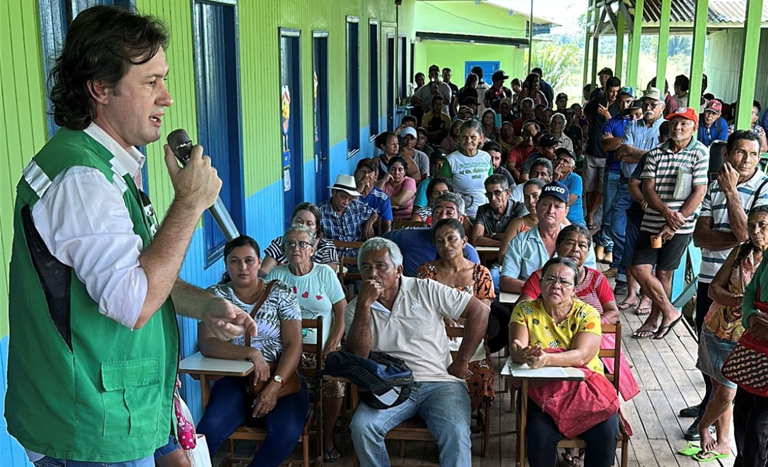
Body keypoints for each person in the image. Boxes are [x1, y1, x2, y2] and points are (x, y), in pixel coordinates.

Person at [5, 7, 257, 466]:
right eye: (151, 82)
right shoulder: (83, 181)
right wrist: (188, 205)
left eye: (164, 80)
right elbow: (135, 301)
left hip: (119, 409)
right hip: (87, 426)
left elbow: (137, 272)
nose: (167, 98)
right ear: (100, 88)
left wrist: (205, 304)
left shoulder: (108, 169)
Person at [345, 238, 490, 467]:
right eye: (365, 267)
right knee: (362, 427)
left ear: (399, 269)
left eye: (381, 266)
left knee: (456, 432)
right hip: (390, 385)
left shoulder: (425, 288)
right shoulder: (356, 307)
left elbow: (480, 311)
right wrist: (364, 306)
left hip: (440, 382)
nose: (372, 273)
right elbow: (358, 355)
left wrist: (462, 361)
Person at [684, 130, 768, 440]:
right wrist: (736, 239)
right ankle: (709, 403)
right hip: (711, 279)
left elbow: (749, 236)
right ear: (727, 155)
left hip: (747, 290)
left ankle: (718, 428)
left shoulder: (764, 187)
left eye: (753, 154)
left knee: (735, 369)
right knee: (710, 356)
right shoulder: (713, 188)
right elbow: (699, 236)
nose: (746, 160)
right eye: (740, 153)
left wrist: (733, 193)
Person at [197, 236, 307, 467]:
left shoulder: (281, 293)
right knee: (208, 431)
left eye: (248, 260)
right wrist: (251, 353)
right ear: (226, 265)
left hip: (281, 376)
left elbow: (293, 345)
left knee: (286, 432)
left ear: (259, 262)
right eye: (235, 261)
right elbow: (207, 344)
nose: (242, 267)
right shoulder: (214, 296)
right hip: (235, 379)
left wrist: (275, 385)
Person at [509, 257, 619, 467]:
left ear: (575, 288)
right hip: (543, 392)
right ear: (540, 283)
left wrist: (546, 359)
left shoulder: (587, 313)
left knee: (606, 433)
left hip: (586, 391)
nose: (556, 285)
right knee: (539, 437)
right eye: (550, 279)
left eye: (564, 281)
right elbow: (517, 350)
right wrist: (523, 354)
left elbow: (581, 356)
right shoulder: (525, 310)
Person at [265, 225, 348, 463]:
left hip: (322, 348)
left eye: (302, 244)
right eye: (290, 244)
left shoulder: (324, 273)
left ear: (313, 249)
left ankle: (328, 436)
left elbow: (341, 310)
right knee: (277, 380)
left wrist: (334, 340)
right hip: (287, 350)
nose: (296, 248)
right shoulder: (277, 276)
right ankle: (287, 431)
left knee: (334, 385)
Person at [630, 107, 708, 339]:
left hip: (680, 228)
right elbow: (648, 188)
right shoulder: (655, 154)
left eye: (684, 123)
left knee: (664, 273)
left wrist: (674, 223)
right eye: (674, 123)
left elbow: (699, 191)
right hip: (653, 224)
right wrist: (665, 213)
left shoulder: (700, 153)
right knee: (640, 268)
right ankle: (670, 311)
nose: (678, 127)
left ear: (693, 126)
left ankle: (654, 320)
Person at [417, 219, 496, 411]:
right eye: (440, 241)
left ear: (464, 241)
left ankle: (463, 417)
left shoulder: (481, 274)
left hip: (471, 339)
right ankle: (436, 413)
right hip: (434, 338)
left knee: (480, 374)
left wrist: (452, 314)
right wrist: (445, 316)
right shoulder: (427, 272)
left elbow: (482, 315)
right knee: (421, 371)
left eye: (451, 238)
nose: (446, 245)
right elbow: (421, 310)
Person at [610, 87, 666, 293]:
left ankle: (633, 281)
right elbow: (623, 153)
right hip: (628, 184)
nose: (649, 107)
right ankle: (627, 270)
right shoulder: (632, 125)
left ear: (662, 106)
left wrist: (638, 154)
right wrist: (649, 155)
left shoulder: (666, 128)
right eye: (646, 103)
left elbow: (660, 158)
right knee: (616, 227)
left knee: (648, 236)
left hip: (654, 189)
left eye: (653, 103)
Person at [500, 181, 596, 293]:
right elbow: (505, 281)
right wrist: (544, 290)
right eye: (546, 204)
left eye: (557, 206)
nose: (551, 211)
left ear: (566, 211)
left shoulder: (581, 243)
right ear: (537, 206)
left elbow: (591, 280)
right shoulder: (520, 241)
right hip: (531, 304)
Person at [596, 89, 641, 276]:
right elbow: (609, 148)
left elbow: (649, 155)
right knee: (610, 216)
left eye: (629, 102)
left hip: (640, 182)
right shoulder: (613, 122)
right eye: (622, 102)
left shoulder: (643, 127)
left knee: (631, 225)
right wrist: (627, 146)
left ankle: (623, 265)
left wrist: (628, 149)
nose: (625, 106)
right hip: (616, 173)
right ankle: (610, 251)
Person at [385, 193, 480, 276]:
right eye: (438, 212)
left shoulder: (468, 252)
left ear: (461, 219)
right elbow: (379, 242)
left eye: (449, 213)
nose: (442, 217)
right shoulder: (407, 237)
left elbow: (477, 286)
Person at [735, 237, 768, 466]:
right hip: (755, 346)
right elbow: (750, 293)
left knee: (759, 427)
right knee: (742, 416)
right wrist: (750, 316)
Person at [260, 202, 340, 277]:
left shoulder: (326, 247)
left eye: (309, 223)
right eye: (298, 221)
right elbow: (264, 272)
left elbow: (328, 277)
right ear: (291, 222)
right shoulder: (280, 243)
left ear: (316, 228)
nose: (303, 226)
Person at [584, 76, 622, 229]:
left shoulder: (619, 107)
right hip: (592, 149)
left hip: (607, 155)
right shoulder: (598, 99)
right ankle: (588, 212)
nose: (614, 94)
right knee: (589, 186)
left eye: (616, 91)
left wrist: (607, 116)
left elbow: (619, 127)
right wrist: (592, 122)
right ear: (606, 90)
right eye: (612, 91)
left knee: (601, 188)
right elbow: (586, 111)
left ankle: (592, 214)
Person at [440, 119, 494, 218]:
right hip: (462, 215)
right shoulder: (451, 160)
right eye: (464, 137)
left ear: (481, 138)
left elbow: (491, 185)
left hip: (485, 214)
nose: (468, 141)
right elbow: (444, 190)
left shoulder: (486, 157)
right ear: (459, 138)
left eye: (473, 137)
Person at [319, 175, 379, 248]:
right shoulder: (320, 212)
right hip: (333, 256)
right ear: (333, 192)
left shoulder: (356, 207)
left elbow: (375, 213)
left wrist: (369, 223)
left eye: (350, 199)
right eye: (343, 197)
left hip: (357, 255)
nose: (346, 202)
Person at [471, 174, 526, 247]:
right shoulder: (483, 210)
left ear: (507, 193)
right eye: (489, 194)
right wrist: (502, 244)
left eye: (497, 193)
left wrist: (491, 235)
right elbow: (475, 239)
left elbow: (519, 238)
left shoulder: (520, 208)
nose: (493, 198)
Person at [500, 179, 547, 258]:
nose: (531, 201)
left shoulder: (558, 222)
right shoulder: (518, 223)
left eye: (535, 196)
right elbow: (502, 256)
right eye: (526, 197)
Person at [354, 158, 394, 234]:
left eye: (370, 172)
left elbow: (387, 227)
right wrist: (358, 191)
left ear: (375, 177)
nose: (366, 175)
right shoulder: (347, 194)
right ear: (355, 174)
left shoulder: (382, 198)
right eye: (362, 171)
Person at [553, 148, 585, 226]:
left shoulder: (576, 179)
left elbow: (568, 202)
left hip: (574, 221)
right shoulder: (550, 177)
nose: (560, 162)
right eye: (559, 159)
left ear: (572, 168)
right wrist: (555, 180)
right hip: (554, 217)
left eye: (565, 161)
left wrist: (555, 182)